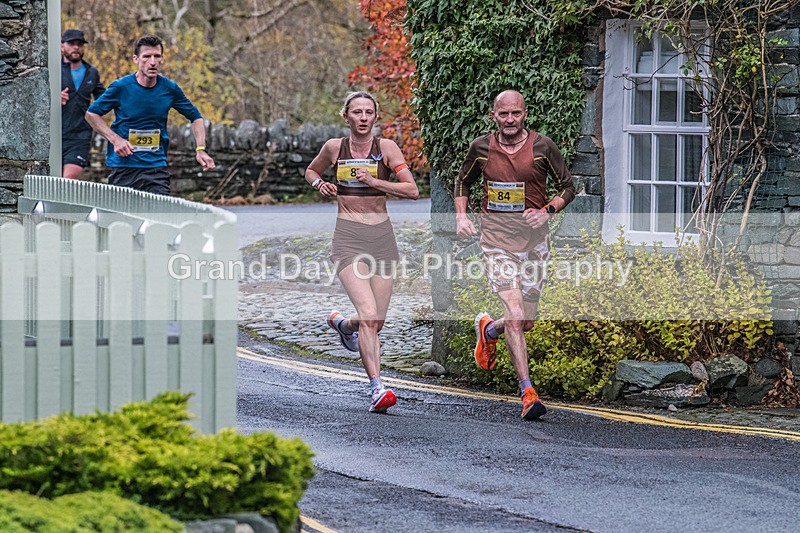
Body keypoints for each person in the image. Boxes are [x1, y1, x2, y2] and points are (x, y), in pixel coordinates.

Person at [454, 90, 575, 420]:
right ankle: (527, 392)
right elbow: (463, 182)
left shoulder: (542, 146)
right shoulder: (481, 147)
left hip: (535, 245)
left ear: (525, 114)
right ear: (494, 115)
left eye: (516, 114)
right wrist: (462, 216)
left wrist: (547, 211)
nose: (510, 120)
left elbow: (568, 187)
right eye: (503, 114)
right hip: (496, 243)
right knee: (517, 313)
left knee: (527, 322)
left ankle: (489, 331)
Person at [305, 91, 419, 413]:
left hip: (382, 238)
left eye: (369, 112)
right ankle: (377, 388)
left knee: (375, 321)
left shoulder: (386, 149)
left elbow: (412, 191)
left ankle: (344, 326)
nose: (364, 117)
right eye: (357, 112)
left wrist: (375, 181)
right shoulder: (333, 148)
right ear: (347, 117)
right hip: (348, 237)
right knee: (369, 314)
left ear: (375, 116)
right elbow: (311, 172)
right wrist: (320, 185)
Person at [85, 34, 214, 195]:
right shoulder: (121, 87)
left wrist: (200, 149)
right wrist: (116, 140)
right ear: (136, 59)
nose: (152, 62)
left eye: (157, 56)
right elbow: (91, 114)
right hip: (124, 167)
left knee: (159, 216)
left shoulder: (169, 89)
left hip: (156, 168)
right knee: (123, 219)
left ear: (162, 60)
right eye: (146, 56)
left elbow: (196, 117)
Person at [61, 29, 105, 179]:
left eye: (79, 44)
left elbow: (103, 97)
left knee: (69, 179)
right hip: (53, 135)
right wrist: (52, 97)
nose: (76, 48)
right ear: (62, 46)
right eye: (71, 44)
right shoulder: (53, 70)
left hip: (80, 137)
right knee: (50, 182)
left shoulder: (91, 72)